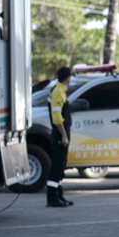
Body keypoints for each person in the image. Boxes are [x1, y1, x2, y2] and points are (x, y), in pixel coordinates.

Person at [47, 67, 74, 207]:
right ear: (67, 77)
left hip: (61, 134)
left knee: (61, 166)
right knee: (57, 166)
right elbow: (57, 117)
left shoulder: (60, 91)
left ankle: (59, 195)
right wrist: (63, 135)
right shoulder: (58, 92)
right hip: (59, 135)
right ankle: (52, 198)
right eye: (70, 77)